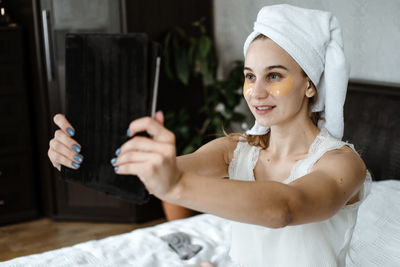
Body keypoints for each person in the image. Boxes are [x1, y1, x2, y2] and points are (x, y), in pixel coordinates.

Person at [48, 4, 371, 267]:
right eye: (249, 76)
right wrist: (82, 155)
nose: (256, 92)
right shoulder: (235, 150)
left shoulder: (343, 164)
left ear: (309, 84)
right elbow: (143, 175)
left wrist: (174, 185)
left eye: (274, 75)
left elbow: (284, 208)